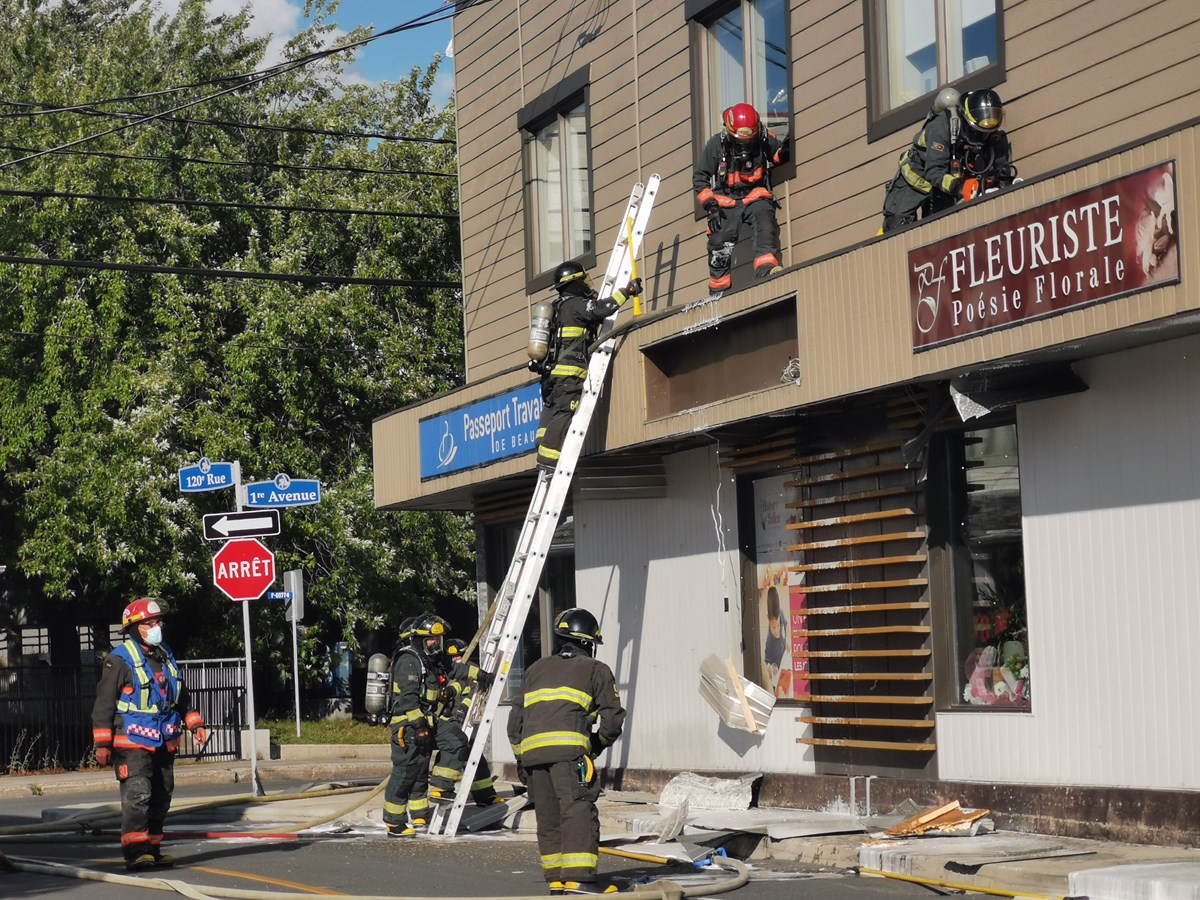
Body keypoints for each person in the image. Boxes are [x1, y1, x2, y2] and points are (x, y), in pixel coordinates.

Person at [507, 608, 625, 895]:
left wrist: (522, 759)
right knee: (577, 810)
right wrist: (594, 747)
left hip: (533, 758)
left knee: (548, 816)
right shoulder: (596, 670)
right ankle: (580, 878)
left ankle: (557, 879)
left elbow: (515, 724)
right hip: (568, 757)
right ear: (587, 642)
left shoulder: (535, 670)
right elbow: (613, 719)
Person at [90, 598, 208, 871]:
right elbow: (103, 704)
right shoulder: (118, 660)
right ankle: (136, 852)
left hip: (164, 740)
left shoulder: (165, 654)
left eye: (158, 622)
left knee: (162, 795)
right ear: (133, 628)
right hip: (131, 741)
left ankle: (152, 848)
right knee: (138, 795)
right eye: (149, 624)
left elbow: (181, 695)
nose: (156, 628)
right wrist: (102, 743)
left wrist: (195, 724)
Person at [532, 262, 642, 473]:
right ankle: (548, 459)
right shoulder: (575, 305)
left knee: (552, 407)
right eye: (582, 281)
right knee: (565, 411)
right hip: (569, 373)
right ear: (574, 284)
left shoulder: (556, 308)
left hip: (551, 376)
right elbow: (601, 309)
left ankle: (542, 443)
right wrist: (627, 292)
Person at [880, 87, 1015, 233]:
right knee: (897, 226)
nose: (983, 137)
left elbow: (999, 168)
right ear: (967, 117)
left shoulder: (992, 134)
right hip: (916, 180)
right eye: (979, 132)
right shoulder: (942, 126)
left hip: (946, 184)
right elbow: (933, 171)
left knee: (941, 227)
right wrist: (959, 187)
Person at [693, 102, 790, 296]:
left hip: (754, 194)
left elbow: (777, 156)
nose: (744, 145)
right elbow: (700, 178)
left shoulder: (763, 136)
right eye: (739, 140)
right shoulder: (716, 144)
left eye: (748, 139)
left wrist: (786, 148)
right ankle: (719, 289)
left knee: (765, 220)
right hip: (725, 199)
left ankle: (765, 269)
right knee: (719, 239)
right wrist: (710, 206)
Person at [382, 613, 449, 837]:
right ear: (419, 639)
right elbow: (409, 699)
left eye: (437, 640)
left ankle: (420, 815)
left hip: (423, 725)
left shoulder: (426, 661)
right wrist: (419, 725)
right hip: (407, 727)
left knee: (420, 773)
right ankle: (394, 822)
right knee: (405, 773)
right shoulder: (409, 660)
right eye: (431, 639)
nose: (435, 644)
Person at [427, 638, 504, 808]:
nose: (456, 659)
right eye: (452, 657)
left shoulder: (470, 669)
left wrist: (463, 708)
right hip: (447, 721)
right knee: (453, 752)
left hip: (464, 720)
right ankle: (441, 787)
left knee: (474, 756)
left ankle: (485, 796)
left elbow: (471, 691)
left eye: (459, 655)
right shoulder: (442, 670)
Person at [763, 585, 787, 691]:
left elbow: (787, 624)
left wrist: (789, 639)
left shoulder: (780, 613)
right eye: (773, 627)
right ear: (768, 619)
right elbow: (766, 663)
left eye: (778, 626)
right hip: (777, 676)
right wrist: (769, 669)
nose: (777, 630)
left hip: (785, 660)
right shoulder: (769, 643)